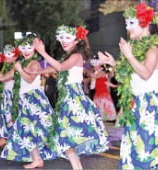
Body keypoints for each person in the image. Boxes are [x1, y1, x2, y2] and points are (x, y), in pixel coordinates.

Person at [98, 3, 158, 169]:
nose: (128, 29)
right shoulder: (136, 50)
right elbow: (128, 77)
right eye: (126, 24)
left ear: (145, 24)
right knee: (136, 150)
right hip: (135, 104)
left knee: (148, 149)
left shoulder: (152, 50)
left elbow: (145, 73)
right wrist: (113, 63)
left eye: (131, 23)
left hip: (151, 105)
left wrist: (128, 55)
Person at [31, 25, 109, 170]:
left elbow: (60, 67)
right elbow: (56, 67)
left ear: (76, 40)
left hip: (74, 99)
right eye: (61, 38)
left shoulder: (76, 56)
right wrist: (38, 71)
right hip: (66, 98)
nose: (63, 41)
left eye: (67, 38)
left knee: (67, 136)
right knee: (66, 139)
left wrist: (42, 52)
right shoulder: (67, 57)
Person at [0, 35, 56, 169]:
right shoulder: (21, 64)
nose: (26, 50)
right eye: (23, 48)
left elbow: (29, 79)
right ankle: (37, 159)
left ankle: (42, 156)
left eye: (29, 47)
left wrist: (19, 70)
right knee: (24, 129)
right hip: (25, 100)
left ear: (34, 49)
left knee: (35, 128)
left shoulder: (34, 63)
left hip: (34, 99)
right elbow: (4, 78)